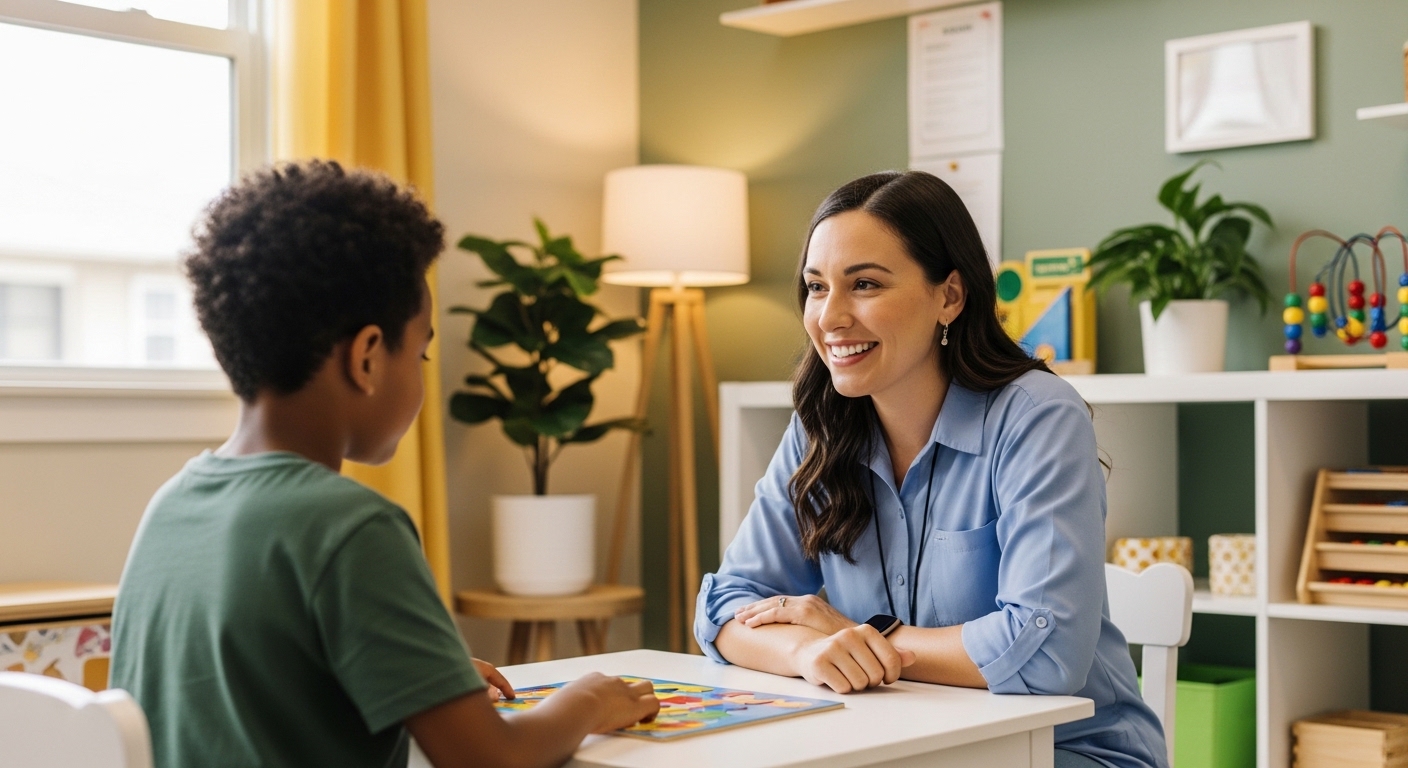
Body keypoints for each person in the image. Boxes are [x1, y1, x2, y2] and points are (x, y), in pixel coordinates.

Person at [110, 160, 659, 768]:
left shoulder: (172, 505)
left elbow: (245, 696)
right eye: (420, 353)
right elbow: (490, 760)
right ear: (368, 356)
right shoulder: (350, 525)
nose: (422, 373)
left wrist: (422, 679)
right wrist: (586, 701)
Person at [694, 171, 1167, 768]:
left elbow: (1047, 657)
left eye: (864, 284)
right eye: (817, 287)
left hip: (1062, 753)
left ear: (949, 295)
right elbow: (725, 608)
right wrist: (805, 653)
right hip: (898, 747)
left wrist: (857, 632)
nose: (830, 317)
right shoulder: (822, 424)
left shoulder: (1037, 416)